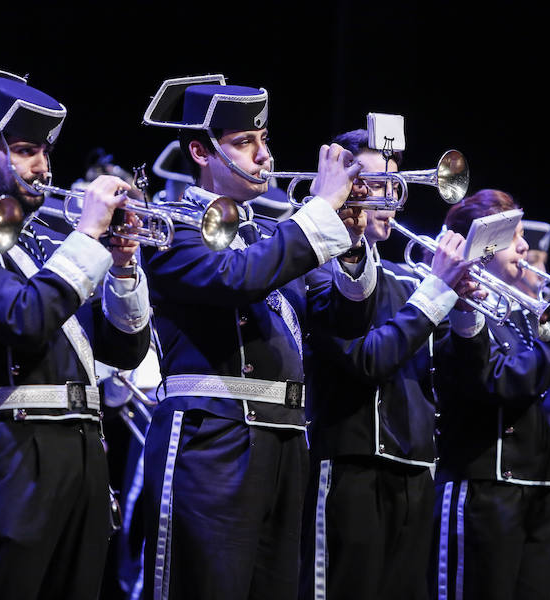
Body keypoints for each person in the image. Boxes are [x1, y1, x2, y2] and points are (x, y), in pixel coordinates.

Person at [139, 74, 377, 599]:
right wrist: (319, 211)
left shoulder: (273, 234)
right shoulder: (168, 224)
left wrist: (354, 244)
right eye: (245, 142)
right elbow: (235, 278)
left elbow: (339, 322)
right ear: (201, 151)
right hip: (213, 438)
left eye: (264, 140)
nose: (264, 156)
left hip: (286, 437)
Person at [0, 68, 152, 600]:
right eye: (27, 150)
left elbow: (122, 348)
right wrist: (90, 234)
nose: (43, 168)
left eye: (46, 152)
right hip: (12, 448)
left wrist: (122, 267)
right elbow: (24, 320)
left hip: (81, 451)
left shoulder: (49, 242)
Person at [299, 129, 485, 600]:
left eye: (393, 184)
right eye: (374, 184)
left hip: (417, 470)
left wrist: (464, 313)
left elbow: (460, 380)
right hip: (350, 468)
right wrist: (437, 293)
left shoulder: (408, 277)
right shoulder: (321, 265)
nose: (390, 197)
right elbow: (365, 359)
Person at [432, 189, 550, 600]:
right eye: (514, 235)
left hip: (546, 487)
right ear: (484, 245)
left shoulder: (531, 311)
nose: (525, 245)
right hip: (487, 490)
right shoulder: (458, 309)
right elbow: (501, 381)